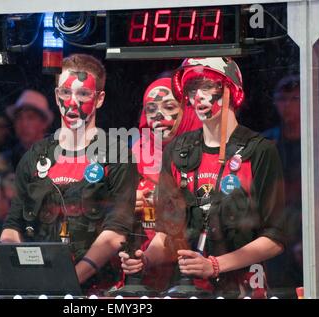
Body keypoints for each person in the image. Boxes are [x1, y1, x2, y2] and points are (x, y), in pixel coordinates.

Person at [120, 57, 287, 298]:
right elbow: (168, 233)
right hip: (188, 290)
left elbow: (275, 237)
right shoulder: (177, 150)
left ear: (231, 89)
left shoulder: (259, 150)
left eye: (207, 86)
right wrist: (144, 259)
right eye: (191, 88)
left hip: (245, 289)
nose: (198, 95)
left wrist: (216, 264)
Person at [0, 54, 138, 294]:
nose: (72, 102)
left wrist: (69, 279)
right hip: (39, 287)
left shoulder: (117, 154)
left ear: (99, 99)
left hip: (98, 291)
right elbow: (13, 224)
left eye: (83, 94)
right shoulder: (36, 155)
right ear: (56, 96)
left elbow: (116, 231)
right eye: (65, 92)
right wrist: (19, 271)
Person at [129, 77, 201, 290]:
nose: (158, 116)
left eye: (169, 106)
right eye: (150, 109)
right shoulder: (133, 155)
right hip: (143, 279)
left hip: (196, 278)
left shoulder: (205, 153)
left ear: (187, 110)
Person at [0, 90, 53, 240]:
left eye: (30, 118)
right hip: (9, 240)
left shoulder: (57, 157)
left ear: (44, 123)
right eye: (19, 118)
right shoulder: (4, 160)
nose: (24, 124)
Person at [262, 75, 303, 292]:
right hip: (275, 231)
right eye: (282, 98)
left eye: (294, 98)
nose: (287, 105)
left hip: (306, 230)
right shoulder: (266, 143)